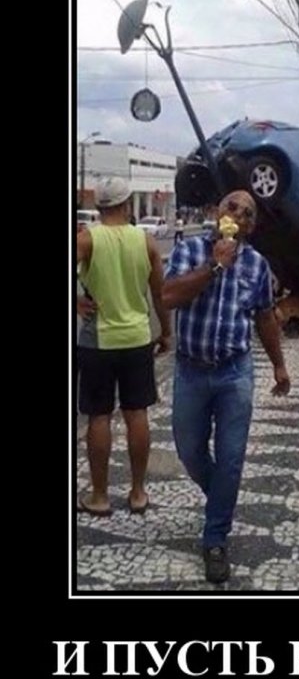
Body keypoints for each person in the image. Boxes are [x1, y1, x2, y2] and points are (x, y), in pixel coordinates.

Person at [162, 189, 291, 584]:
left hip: (235, 373)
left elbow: (264, 317)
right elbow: (168, 296)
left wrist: (279, 365)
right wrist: (215, 266)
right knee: (189, 451)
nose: (238, 214)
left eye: (247, 213)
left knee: (231, 458)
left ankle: (215, 538)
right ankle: (221, 497)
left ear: (251, 226)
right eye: (232, 206)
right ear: (218, 211)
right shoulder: (189, 249)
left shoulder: (256, 265)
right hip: (191, 371)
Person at [77, 176, 172, 516]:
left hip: (98, 341)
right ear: (127, 203)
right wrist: (166, 332)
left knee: (99, 415)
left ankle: (100, 496)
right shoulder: (145, 241)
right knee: (137, 414)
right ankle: (138, 492)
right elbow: (160, 294)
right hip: (136, 338)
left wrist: (76, 301)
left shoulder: (87, 239)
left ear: (99, 205)